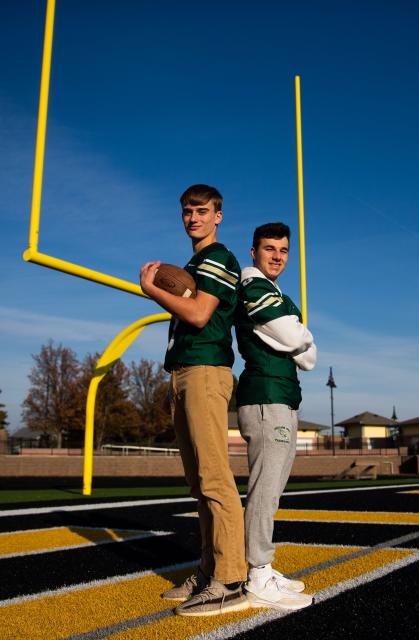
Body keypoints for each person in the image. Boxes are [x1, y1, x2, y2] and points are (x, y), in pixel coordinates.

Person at [139, 184, 247, 616]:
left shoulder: (218, 258)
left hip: (205, 372)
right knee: (198, 481)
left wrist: (153, 290)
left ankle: (231, 580)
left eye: (201, 211)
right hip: (183, 372)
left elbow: (201, 314)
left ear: (218, 215)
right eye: (187, 211)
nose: (193, 218)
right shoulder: (192, 263)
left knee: (215, 478)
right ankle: (208, 571)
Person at [234, 222, 317, 610]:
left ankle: (263, 567)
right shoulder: (252, 286)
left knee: (273, 489)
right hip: (266, 396)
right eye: (269, 249)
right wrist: (297, 334)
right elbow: (295, 339)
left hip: (283, 397)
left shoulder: (278, 293)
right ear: (254, 252)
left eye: (283, 250)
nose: (277, 256)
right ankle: (257, 574)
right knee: (264, 490)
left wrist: (295, 336)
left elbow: (308, 357)